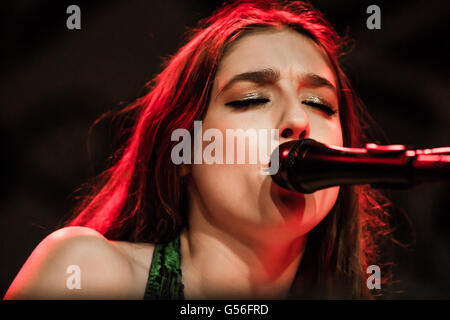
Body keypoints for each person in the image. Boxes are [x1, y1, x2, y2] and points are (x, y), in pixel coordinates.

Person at [4, 0, 392, 300]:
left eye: (320, 104)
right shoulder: (89, 274)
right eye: (251, 99)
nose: (298, 119)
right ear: (184, 151)